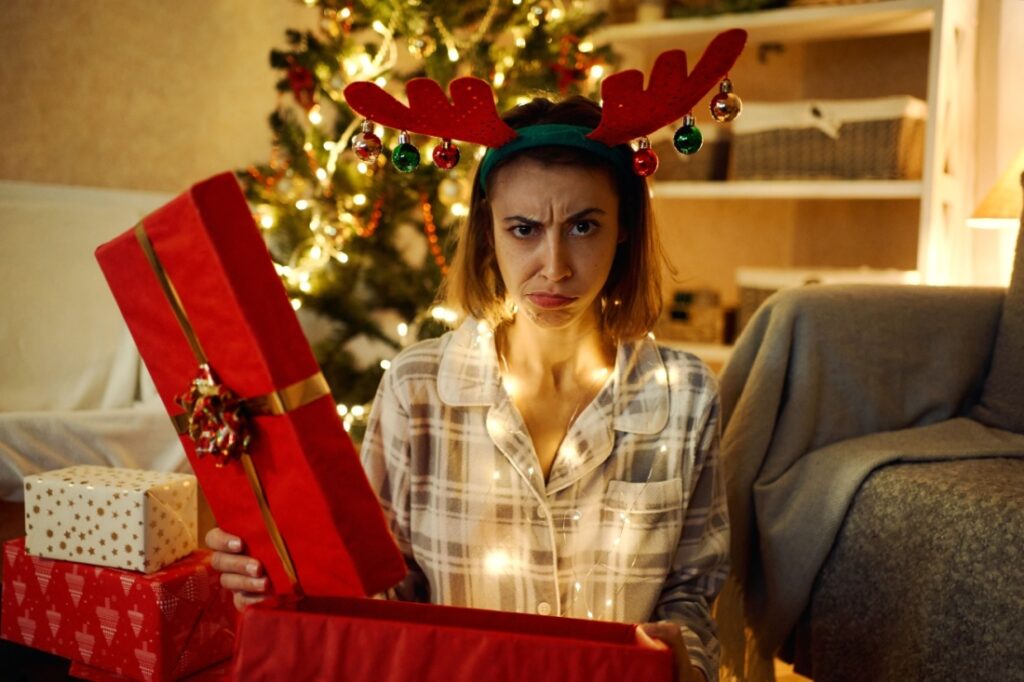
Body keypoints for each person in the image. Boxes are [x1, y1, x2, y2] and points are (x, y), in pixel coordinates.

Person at [207, 95, 729, 682]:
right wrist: (280, 587)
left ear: (625, 228)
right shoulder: (417, 390)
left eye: (583, 226)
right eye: (524, 229)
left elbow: (694, 596)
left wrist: (686, 659)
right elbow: (376, 595)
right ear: (489, 232)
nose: (554, 266)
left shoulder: (683, 394)